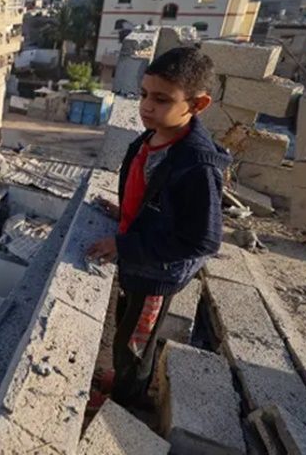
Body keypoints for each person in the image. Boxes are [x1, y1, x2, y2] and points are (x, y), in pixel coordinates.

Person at [87, 46, 231, 406]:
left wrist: (123, 245)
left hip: (156, 274)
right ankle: (121, 380)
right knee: (126, 324)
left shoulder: (196, 165)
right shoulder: (153, 136)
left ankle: (125, 401)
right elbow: (152, 195)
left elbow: (203, 240)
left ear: (198, 104)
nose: (146, 106)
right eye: (144, 95)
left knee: (134, 344)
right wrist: (125, 215)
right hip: (138, 262)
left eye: (162, 99)